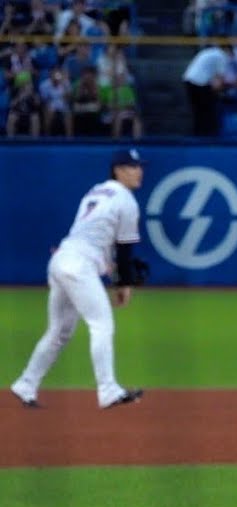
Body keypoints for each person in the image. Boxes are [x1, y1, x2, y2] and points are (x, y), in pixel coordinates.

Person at [11, 148, 148, 409]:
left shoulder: (96, 191)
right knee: (102, 325)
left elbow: (97, 239)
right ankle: (108, 390)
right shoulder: (126, 201)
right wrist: (124, 283)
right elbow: (124, 249)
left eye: (140, 166)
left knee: (59, 332)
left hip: (62, 258)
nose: (139, 171)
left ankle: (26, 383)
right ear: (118, 170)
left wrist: (115, 273)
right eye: (133, 167)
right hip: (78, 265)